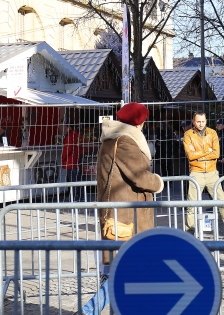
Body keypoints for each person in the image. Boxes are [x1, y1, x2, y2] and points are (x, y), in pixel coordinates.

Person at [81, 102, 164, 315]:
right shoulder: (125, 141)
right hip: (127, 216)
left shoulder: (111, 140)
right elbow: (140, 177)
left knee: (125, 272)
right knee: (125, 272)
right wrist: (158, 182)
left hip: (119, 213)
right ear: (139, 122)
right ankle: (89, 311)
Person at [183, 112, 224, 236]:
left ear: (206, 121)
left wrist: (199, 154)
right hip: (196, 173)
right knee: (191, 205)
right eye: (198, 121)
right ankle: (190, 232)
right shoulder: (188, 135)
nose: (200, 124)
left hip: (212, 173)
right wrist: (206, 151)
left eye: (203, 121)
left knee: (222, 202)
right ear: (193, 122)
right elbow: (190, 155)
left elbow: (216, 154)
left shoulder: (212, 133)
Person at [61, 124, 82, 201]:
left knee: (72, 180)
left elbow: (68, 148)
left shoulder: (70, 136)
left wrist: (63, 158)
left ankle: (74, 197)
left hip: (70, 160)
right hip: (76, 159)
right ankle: (79, 196)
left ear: (68, 127)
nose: (64, 129)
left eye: (65, 127)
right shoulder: (77, 134)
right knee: (77, 179)